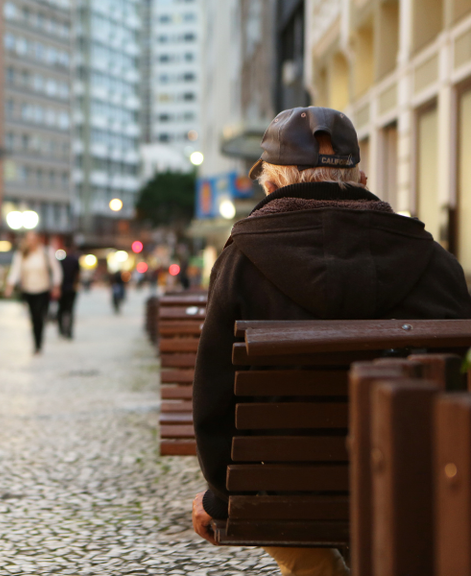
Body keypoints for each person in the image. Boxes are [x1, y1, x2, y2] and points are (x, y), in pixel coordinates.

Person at [190, 106, 471, 576]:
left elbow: (214, 398)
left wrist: (221, 494)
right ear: (361, 181)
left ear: (274, 187)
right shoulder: (436, 260)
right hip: (414, 476)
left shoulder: (241, 260)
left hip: (283, 487)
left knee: (279, 505)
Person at [5, 231, 62, 354]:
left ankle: (39, 342)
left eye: (33, 238)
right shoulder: (22, 253)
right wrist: (10, 285)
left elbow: (56, 270)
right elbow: (15, 270)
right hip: (28, 290)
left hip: (43, 289)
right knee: (33, 317)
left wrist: (56, 285)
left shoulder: (46, 252)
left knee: (40, 316)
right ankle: (36, 343)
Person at [57, 240, 81, 339]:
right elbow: (78, 275)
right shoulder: (75, 260)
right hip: (71, 288)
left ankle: (62, 330)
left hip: (62, 288)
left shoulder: (60, 260)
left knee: (61, 310)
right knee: (70, 311)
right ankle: (69, 332)